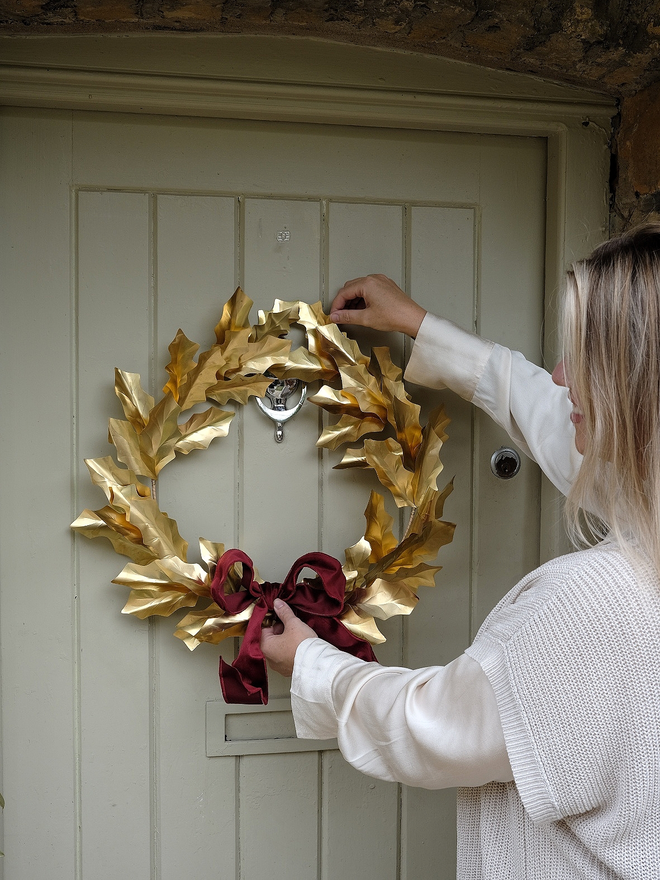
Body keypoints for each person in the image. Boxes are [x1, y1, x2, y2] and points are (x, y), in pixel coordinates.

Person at [261, 225, 660, 879]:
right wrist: (421, 326)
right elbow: (548, 412)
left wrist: (308, 663)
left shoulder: (590, 603)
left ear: (634, 385)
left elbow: (434, 727)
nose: (561, 377)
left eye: (582, 355)